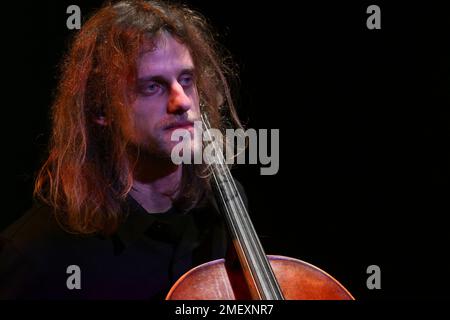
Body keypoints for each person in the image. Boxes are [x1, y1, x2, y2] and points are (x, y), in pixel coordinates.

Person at [0, 0, 246, 299]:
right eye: (153, 86)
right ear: (101, 109)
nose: (181, 101)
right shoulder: (38, 254)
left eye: (187, 80)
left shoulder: (223, 210)